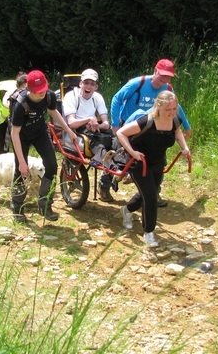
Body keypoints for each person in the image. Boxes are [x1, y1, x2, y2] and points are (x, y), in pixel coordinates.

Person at [104, 58, 192, 206]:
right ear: (155, 71)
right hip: (132, 125)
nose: (164, 79)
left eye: (168, 76)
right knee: (119, 157)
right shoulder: (138, 83)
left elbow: (175, 106)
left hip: (154, 128)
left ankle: (153, 192)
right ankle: (104, 184)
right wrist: (115, 124)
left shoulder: (167, 89)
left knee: (158, 156)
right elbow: (117, 99)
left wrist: (187, 126)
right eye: (162, 75)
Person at [116, 90, 190, 248]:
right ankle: (149, 232)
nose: (171, 113)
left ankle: (127, 210)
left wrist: (184, 147)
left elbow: (177, 133)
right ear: (158, 106)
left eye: (174, 109)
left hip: (157, 163)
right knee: (150, 198)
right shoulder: (146, 121)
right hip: (139, 164)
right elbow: (121, 133)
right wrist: (133, 153)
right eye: (168, 110)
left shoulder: (175, 120)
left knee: (150, 192)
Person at [9, 69, 79, 223]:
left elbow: (53, 112)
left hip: (40, 132)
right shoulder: (21, 104)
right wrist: (21, 161)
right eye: (38, 91)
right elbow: (14, 133)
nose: (42, 93)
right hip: (21, 136)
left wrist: (69, 131)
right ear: (29, 89)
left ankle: (45, 204)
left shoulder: (49, 96)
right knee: (21, 171)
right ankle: (18, 208)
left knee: (52, 166)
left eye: (44, 89)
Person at [61, 68, 115, 201]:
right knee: (95, 143)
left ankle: (119, 164)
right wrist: (88, 120)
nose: (89, 86)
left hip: (94, 127)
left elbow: (106, 123)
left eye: (92, 84)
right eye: (86, 82)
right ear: (80, 84)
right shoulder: (71, 96)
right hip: (77, 129)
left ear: (96, 86)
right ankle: (109, 166)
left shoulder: (97, 98)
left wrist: (97, 125)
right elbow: (71, 123)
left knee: (115, 139)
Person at [0, 72, 27, 155]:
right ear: (18, 86)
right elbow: (5, 102)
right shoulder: (9, 91)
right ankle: (2, 163)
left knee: (19, 144)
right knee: (4, 147)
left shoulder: (22, 86)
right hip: (2, 118)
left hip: (11, 116)